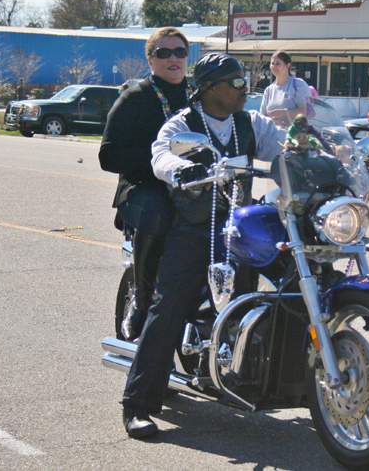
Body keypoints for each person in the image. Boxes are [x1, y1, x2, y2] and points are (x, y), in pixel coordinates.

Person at [121, 53, 283, 439]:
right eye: (237, 83)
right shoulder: (183, 124)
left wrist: (320, 152)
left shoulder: (251, 122)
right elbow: (161, 155)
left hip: (240, 227)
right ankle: (137, 403)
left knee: (288, 282)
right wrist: (181, 168)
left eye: (246, 82)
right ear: (210, 88)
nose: (246, 89)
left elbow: (286, 147)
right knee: (169, 305)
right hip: (193, 228)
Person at [98, 27, 192, 341]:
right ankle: (141, 300)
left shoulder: (200, 97)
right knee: (157, 213)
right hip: (142, 188)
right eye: (163, 53)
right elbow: (108, 156)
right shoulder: (134, 98)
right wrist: (160, 158)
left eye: (180, 52)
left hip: (193, 188)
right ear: (150, 60)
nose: (173, 58)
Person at [261, 50, 313, 138]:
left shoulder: (298, 85)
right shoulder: (268, 90)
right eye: (272, 63)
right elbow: (262, 118)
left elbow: (303, 112)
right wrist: (275, 123)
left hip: (294, 139)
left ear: (287, 65)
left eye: (278, 63)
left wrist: (282, 113)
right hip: (272, 139)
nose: (274, 66)